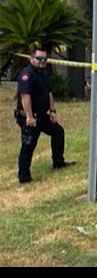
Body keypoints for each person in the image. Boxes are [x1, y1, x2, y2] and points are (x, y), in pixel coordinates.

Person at [15, 47, 74, 184]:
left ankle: (58, 163)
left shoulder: (44, 73)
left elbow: (48, 93)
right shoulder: (27, 74)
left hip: (42, 115)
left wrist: (52, 111)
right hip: (29, 116)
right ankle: (24, 177)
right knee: (29, 144)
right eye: (39, 58)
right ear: (31, 59)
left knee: (58, 132)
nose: (42, 61)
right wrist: (29, 117)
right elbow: (25, 97)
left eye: (45, 59)